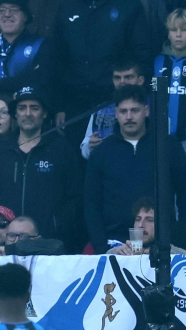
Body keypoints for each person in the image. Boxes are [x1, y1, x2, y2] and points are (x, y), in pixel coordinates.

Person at [85, 85, 186, 254]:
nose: (129, 117)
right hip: (115, 245)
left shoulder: (168, 146)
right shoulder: (101, 152)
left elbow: (184, 195)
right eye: (123, 111)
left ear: (146, 110)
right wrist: (102, 247)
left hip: (163, 245)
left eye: (134, 110)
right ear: (116, 113)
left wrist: (180, 241)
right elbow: (91, 204)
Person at [0, 86, 80, 246]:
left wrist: (57, 226)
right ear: (15, 113)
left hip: (49, 244)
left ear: (44, 113)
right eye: (22, 108)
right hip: (7, 244)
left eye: (34, 108)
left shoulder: (62, 150)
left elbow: (74, 197)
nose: (27, 113)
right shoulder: (0, 152)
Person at [52, 0, 153, 143]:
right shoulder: (68, 6)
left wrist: (133, 99)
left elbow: (142, 56)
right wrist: (60, 105)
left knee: (114, 157)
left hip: (115, 101)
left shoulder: (129, 5)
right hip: (75, 104)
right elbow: (58, 58)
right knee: (76, 158)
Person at [80, 57, 145, 160]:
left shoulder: (155, 108)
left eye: (128, 77)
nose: (122, 82)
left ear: (140, 80)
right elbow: (84, 150)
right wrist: (90, 146)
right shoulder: (100, 109)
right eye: (117, 78)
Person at [0, 0, 50, 97]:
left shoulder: (41, 45)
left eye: (14, 9)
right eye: (1, 10)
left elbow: (41, 79)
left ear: (26, 16)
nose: (7, 14)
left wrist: (1, 84)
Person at [106, 198, 186, 255]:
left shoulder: (176, 254)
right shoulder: (120, 252)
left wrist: (167, 254)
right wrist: (115, 253)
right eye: (138, 219)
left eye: (149, 220)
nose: (141, 225)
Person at [156, 10, 186, 151]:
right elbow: (152, 93)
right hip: (162, 138)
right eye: (174, 30)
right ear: (168, 33)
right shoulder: (158, 62)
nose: (179, 35)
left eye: (184, 30)